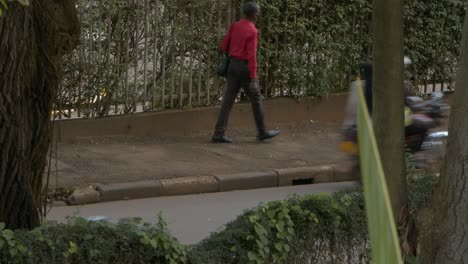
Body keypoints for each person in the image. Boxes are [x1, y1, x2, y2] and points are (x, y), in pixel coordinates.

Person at [211, 1, 280, 143]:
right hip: (244, 68)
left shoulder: (235, 25)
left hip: (232, 67)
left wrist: (233, 53)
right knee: (256, 99)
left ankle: (218, 133)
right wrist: (253, 79)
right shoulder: (252, 31)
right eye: (258, 11)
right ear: (254, 14)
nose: (259, 13)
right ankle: (262, 132)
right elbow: (252, 56)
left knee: (228, 101)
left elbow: (223, 45)